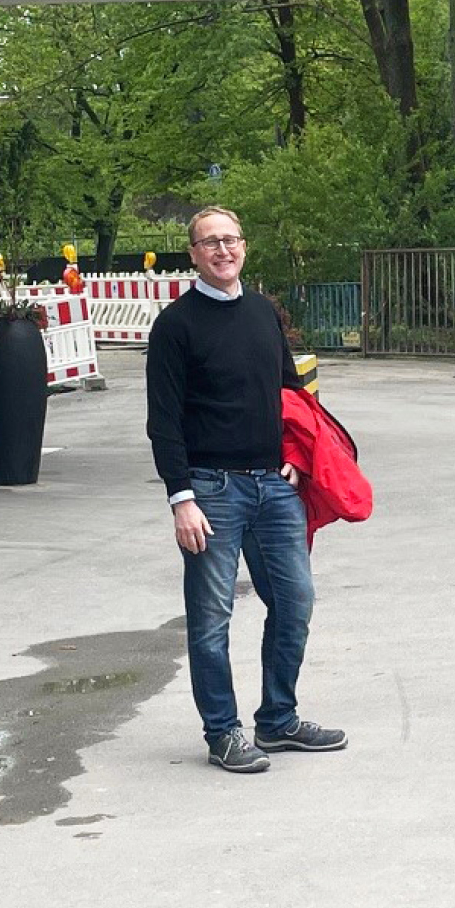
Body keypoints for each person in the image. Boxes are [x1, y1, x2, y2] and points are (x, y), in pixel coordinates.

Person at [145, 205, 344, 773]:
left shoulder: (262, 314)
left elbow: (291, 398)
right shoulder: (176, 326)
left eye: (230, 239)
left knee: (295, 601)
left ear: (245, 247)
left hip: (274, 488)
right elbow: (164, 419)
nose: (222, 250)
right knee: (210, 618)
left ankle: (278, 721)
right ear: (194, 254)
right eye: (209, 242)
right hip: (210, 491)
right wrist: (180, 498)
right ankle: (223, 733)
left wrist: (296, 458)